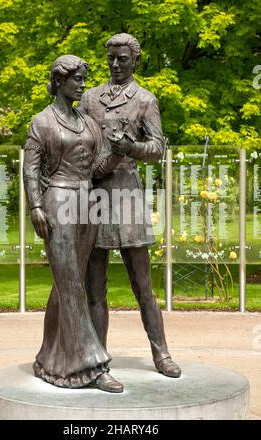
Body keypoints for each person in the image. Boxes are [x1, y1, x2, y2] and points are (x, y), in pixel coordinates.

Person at [78, 33, 181, 378]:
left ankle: (161, 353)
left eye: (123, 59)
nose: (116, 64)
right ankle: (98, 359)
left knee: (143, 285)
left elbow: (157, 149)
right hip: (94, 196)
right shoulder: (90, 98)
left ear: (135, 61)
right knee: (95, 286)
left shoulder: (145, 100)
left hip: (127, 197)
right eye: (111, 58)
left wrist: (130, 147)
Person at [23, 55, 124, 392]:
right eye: (77, 79)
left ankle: (49, 359)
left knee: (66, 282)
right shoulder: (42, 122)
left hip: (88, 203)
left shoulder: (88, 122)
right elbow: (30, 169)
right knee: (71, 285)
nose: (83, 84)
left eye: (84, 78)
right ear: (60, 81)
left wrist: (122, 151)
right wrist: (35, 205)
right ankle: (92, 365)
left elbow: (98, 168)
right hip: (57, 203)